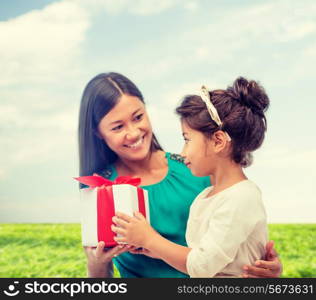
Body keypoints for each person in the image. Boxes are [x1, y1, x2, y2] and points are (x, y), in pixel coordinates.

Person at [79, 72, 282, 278]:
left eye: (138, 117)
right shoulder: (102, 190)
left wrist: (264, 267)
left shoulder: (197, 168)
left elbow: (235, 235)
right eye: (117, 127)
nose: (133, 133)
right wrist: (95, 263)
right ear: (98, 132)